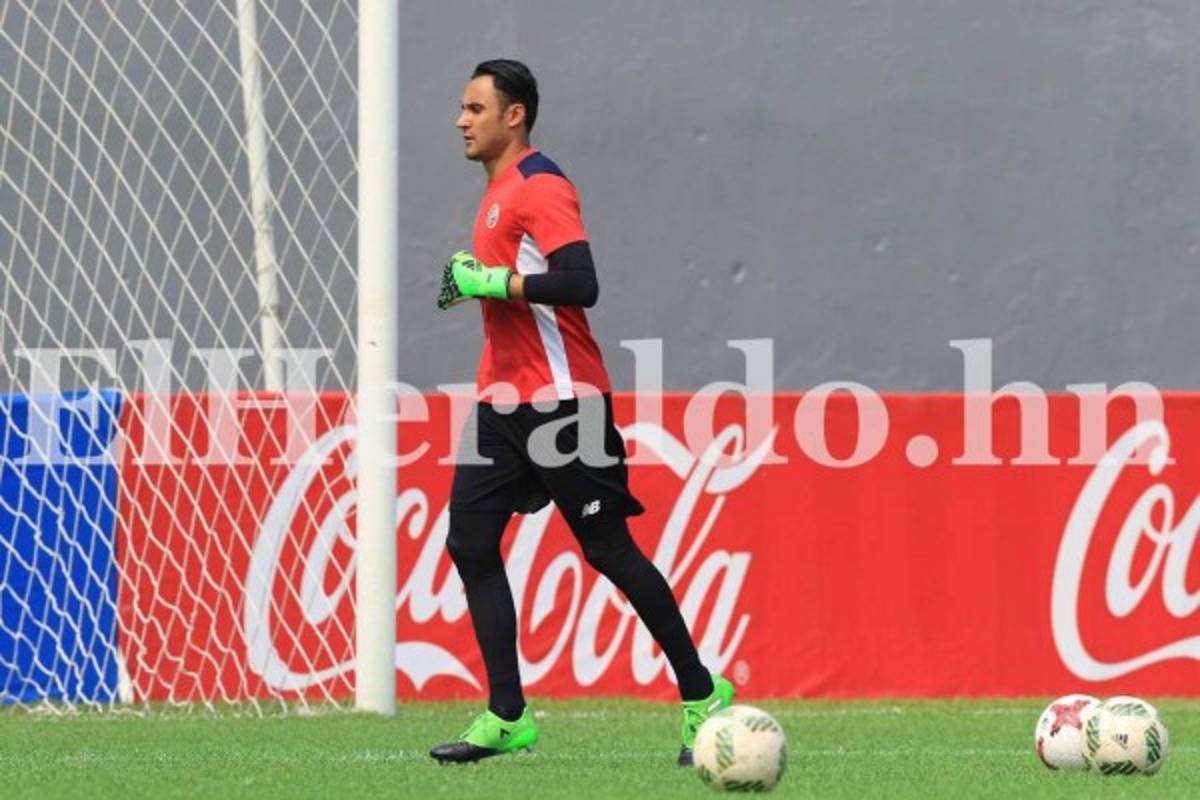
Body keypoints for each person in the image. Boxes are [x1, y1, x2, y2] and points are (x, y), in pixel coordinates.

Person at [429, 59, 733, 767]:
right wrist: (472, 286)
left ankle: (701, 695)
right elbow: (512, 288)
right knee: (469, 545)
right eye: (462, 107)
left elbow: (581, 284)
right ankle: (507, 716)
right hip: (502, 404)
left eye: (475, 108)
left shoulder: (542, 185)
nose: (461, 120)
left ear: (515, 115)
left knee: (608, 551)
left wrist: (495, 281)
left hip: (564, 402)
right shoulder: (497, 192)